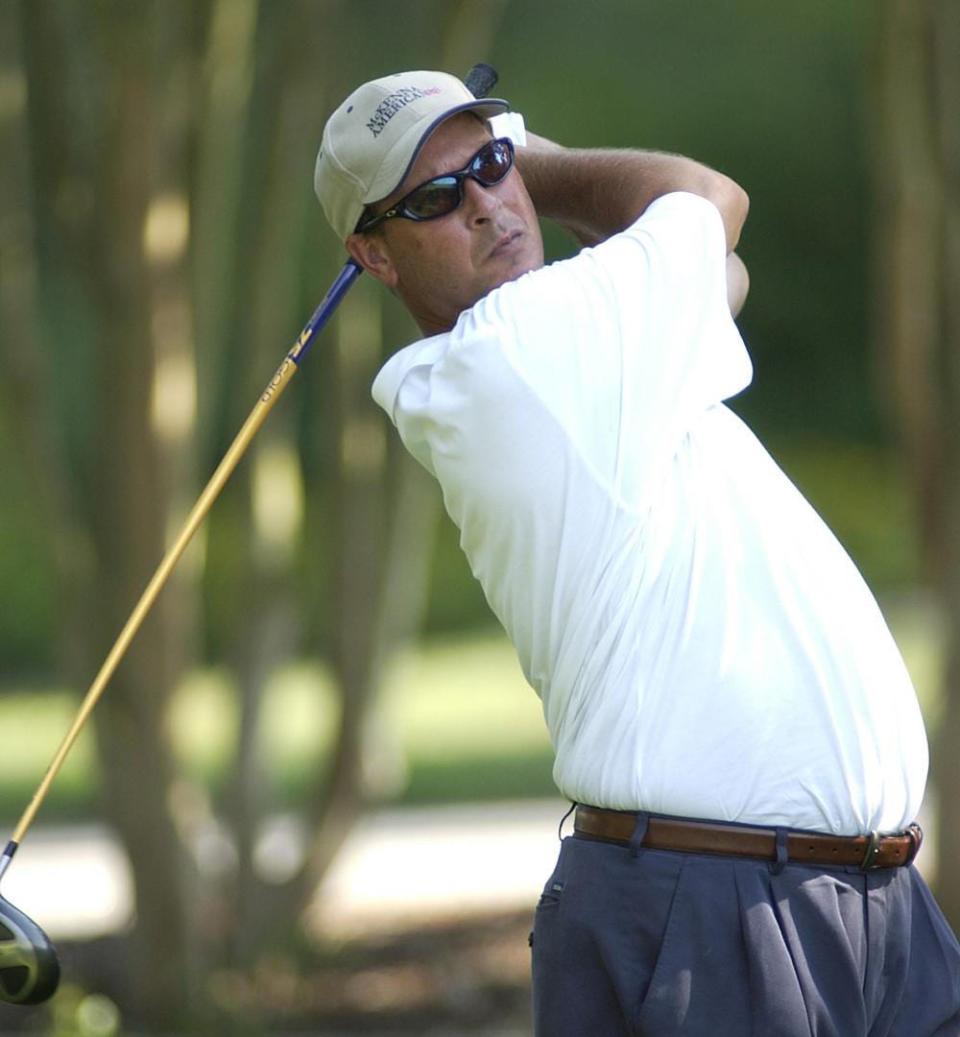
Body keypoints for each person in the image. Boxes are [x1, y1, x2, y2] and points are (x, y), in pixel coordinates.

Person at [313, 70, 960, 1036]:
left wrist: (499, 181)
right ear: (374, 254)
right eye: (438, 199)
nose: (488, 206)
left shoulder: (595, 356)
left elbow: (719, 275)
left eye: (491, 167)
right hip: (714, 913)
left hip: (859, 907)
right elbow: (707, 202)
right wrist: (538, 163)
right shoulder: (517, 356)